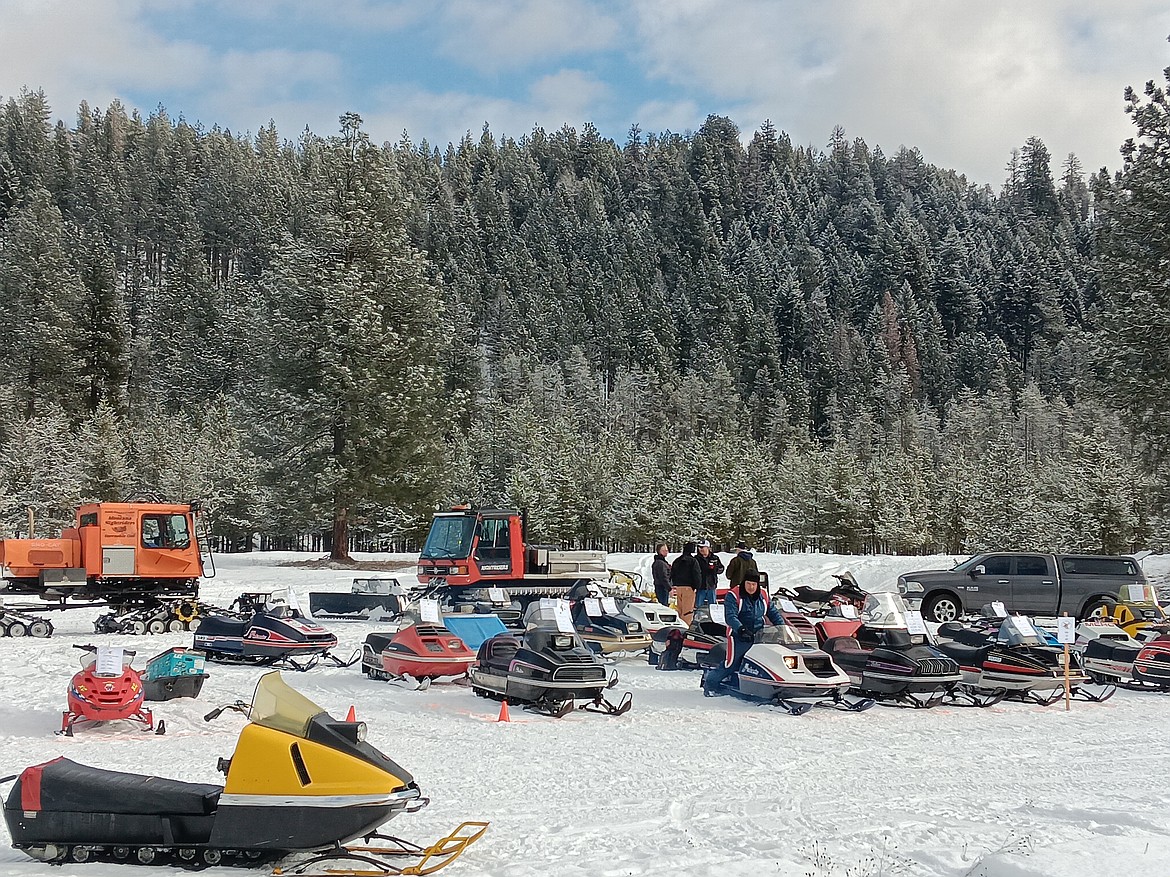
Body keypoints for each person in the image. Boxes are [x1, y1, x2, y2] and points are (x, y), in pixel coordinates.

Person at [703, 570, 782, 696]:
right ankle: (710, 685)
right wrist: (741, 629)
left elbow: (773, 613)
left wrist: (781, 627)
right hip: (738, 636)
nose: (751, 587)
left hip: (760, 636)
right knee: (732, 664)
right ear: (744, 583)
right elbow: (730, 616)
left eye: (754, 584)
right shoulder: (733, 595)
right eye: (749, 584)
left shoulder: (763, 595)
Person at [670, 541, 702, 624]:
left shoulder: (677, 561)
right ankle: (685, 628)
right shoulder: (693, 561)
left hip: (678, 588)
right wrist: (696, 587)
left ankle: (678, 625)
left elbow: (672, 573)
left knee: (679, 609)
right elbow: (697, 575)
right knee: (687, 611)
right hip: (688, 588)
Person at [695, 540, 724, 607]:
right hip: (701, 586)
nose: (700, 549)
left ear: (708, 548)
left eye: (702, 547)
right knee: (698, 606)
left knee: (712, 606)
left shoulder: (714, 558)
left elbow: (721, 568)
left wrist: (715, 569)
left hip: (711, 585)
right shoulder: (696, 559)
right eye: (699, 547)